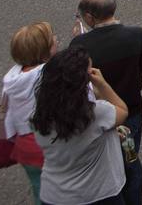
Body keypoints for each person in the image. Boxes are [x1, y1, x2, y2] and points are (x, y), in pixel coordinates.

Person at [68, 0, 142, 205]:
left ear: (89, 18)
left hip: (97, 113)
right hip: (132, 109)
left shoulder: (80, 46)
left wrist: (78, 41)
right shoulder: (136, 35)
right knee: (130, 155)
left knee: (112, 161)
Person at [31, 47, 130, 205]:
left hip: (54, 194)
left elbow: (73, 144)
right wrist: (102, 84)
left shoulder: (40, 115)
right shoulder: (96, 113)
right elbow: (122, 111)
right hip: (97, 194)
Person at [1, 22, 54, 205]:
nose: (56, 40)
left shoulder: (11, 79)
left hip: (25, 146)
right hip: (48, 144)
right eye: (52, 39)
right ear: (45, 50)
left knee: (38, 187)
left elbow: (6, 113)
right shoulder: (49, 74)